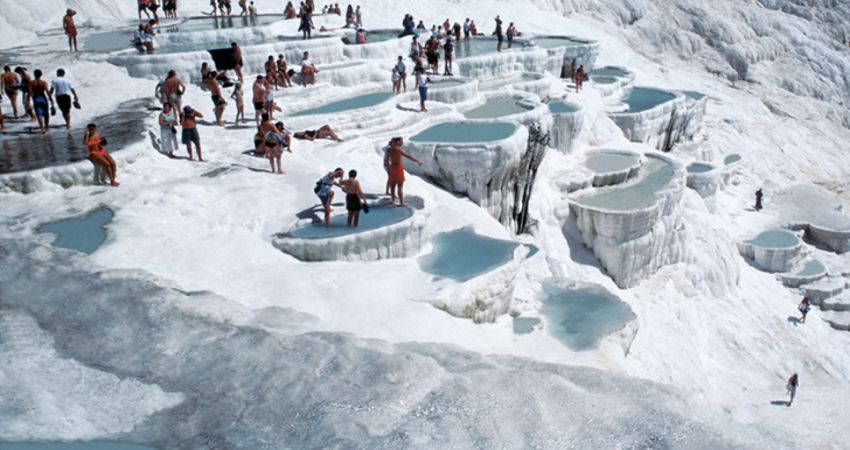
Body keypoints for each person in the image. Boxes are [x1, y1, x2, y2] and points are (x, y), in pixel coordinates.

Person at [385, 137, 421, 206]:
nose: (402, 143)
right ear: (397, 142)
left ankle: (393, 200)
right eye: (401, 141)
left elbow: (386, 160)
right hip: (398, 168)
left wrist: (388, 167)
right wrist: (417, 161)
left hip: (392, 167)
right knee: (400, 186)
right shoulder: (398, 150)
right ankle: (401, 203)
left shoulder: (389, 150)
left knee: (393, 185)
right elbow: (408, 156)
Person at [30, 69, 51, 133]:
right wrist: (51, 100)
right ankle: (46, 127)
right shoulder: (43, 83)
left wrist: (27, 101)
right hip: (43, 98)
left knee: (39, 115)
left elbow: (30, 93)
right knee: (46, 113)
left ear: (34, 74)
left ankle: (42, 128)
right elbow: (47, 92)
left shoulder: (31, 83)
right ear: (41, 74)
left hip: (36, 99)